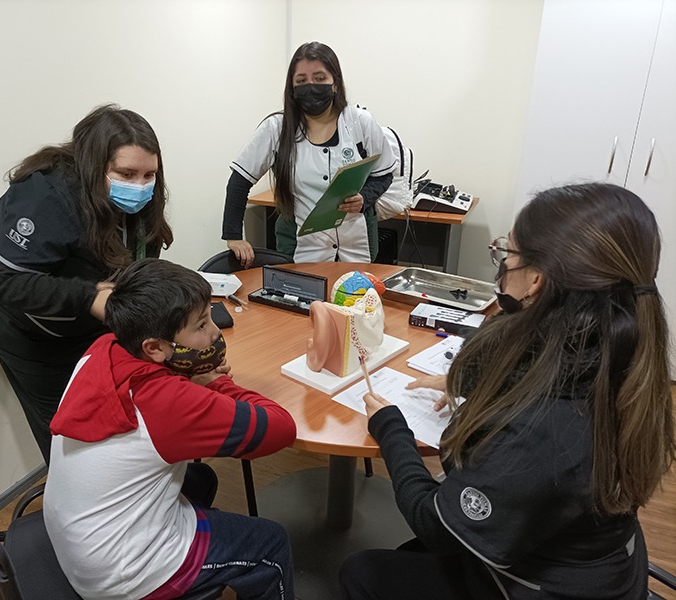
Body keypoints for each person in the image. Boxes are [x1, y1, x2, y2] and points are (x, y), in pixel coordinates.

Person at [339, 183, 675, 599]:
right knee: (412, 553)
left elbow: (436, 524)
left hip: (535, 585)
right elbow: (527, 369)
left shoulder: (544, 429)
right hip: (602, 566)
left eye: (507, 254)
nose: (501, 265)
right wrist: (467, 383)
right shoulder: (621, 357)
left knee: (363, 571)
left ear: (536, 280)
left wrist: (391, 426)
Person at [43, 258, 296, 600]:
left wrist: (191, 377)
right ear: (155, 347)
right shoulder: (167, 404)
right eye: (202, 324)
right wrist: (218, 383)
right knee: (271, 541)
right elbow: (281, 429)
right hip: (125, 574)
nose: (214, 332)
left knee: (201, 480)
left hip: (80, 542)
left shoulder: (103, 350)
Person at [0, 104, 173, 464]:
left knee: (104, 385)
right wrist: (90, 296)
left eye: (149, 174)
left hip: (80, 297)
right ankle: (74, 496)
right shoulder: (46, 195)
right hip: (13, 314)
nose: (140, 185)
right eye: (127, 173)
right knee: (66, 420)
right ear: (93, 165)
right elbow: (9, 283)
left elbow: (137, 255)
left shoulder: (141, 193)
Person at [221, 41, 396, 267]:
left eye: (320, 78)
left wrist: (365, 198)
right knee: (301, 297)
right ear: (292, 88)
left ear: (335, 83)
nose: (311, 86)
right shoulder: (277, 128)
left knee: (356, 296)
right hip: (300, 242)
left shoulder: (359, 122)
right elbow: (239, 181)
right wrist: (234, 236)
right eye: (301, 81)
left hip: (357, 239)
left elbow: (384, 172)